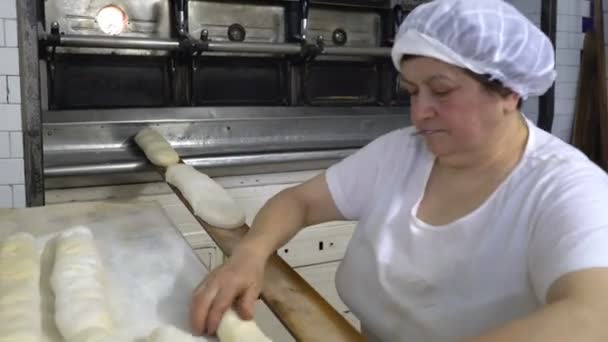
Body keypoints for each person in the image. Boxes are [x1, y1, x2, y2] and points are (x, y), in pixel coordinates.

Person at [190, 0, 608, 340]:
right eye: (412, 91)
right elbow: (299, 202)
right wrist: (249, 255)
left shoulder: (565, 187)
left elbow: (593, 315)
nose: (420, 111)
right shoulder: (400, 154)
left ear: (509, 92)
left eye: (441, 90)